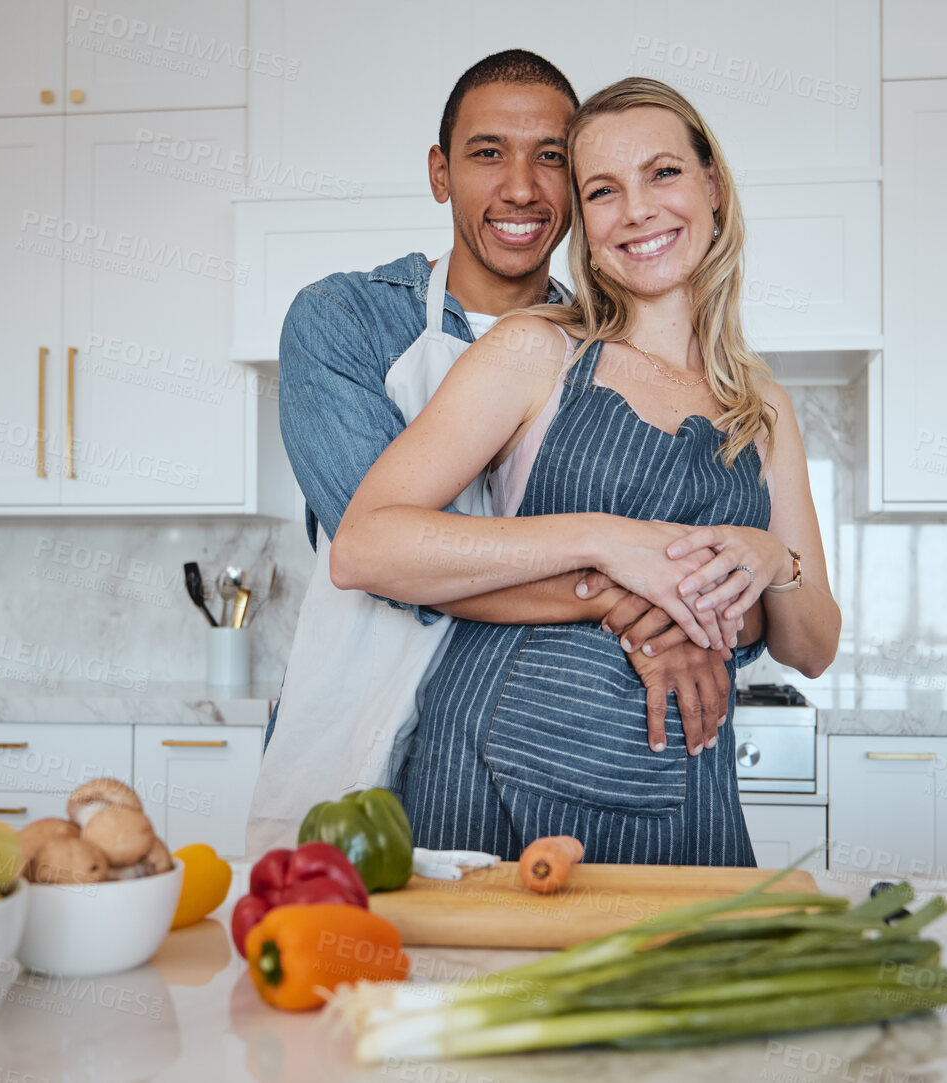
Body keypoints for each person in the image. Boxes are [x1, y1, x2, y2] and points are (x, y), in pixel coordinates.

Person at [244, 54, 761, 855]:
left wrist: (751, 565)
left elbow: (718, 572)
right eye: (487, 152)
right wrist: (631, 597)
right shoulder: (342, 319)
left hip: (532, 739)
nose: (521, 187)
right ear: (440, 173)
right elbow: (384, 556)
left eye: (551, 156)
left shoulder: (607, 358)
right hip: (361, 711)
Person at [331, 77, 841, 865]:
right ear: (586, 225)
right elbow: (365, 547)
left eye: (662, 173)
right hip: (493, 773)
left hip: (679, 785)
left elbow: (811, 647)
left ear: (711, 185)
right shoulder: (537, 352)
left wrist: (776, 560)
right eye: (603, 190)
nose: (636, 209)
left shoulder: (761, 407)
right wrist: (608, 543)